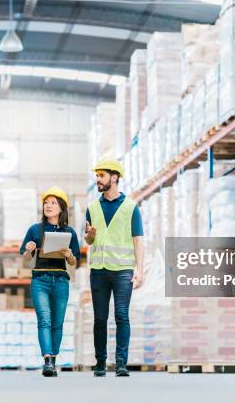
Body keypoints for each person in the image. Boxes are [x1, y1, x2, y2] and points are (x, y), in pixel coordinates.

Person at [84, 158, 144, 377]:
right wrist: (89, 237)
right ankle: (100, 362)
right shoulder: (91, 208)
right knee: (100, 318)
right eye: (97, 176)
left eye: (101, 175)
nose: (97, 179)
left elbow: (138, 240)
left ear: (114, 177)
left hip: (123, 270)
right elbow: (89, 241)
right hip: (98, 270)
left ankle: (121, 362)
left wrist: (140, 270)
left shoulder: (130, 207)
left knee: (121, 315)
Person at [20, 187, 80, 377]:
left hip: (61, 280)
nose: (49, 206)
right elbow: (25, 260)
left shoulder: (69, 232)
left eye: (53, 203)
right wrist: (29, 250)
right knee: (44, 320)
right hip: (40, 280)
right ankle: (47, 360)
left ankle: (53, 359)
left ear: (61, 208)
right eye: (46, 202)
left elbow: (74, 262)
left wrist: (69, 255)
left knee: (57, 323)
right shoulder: (34, 229)